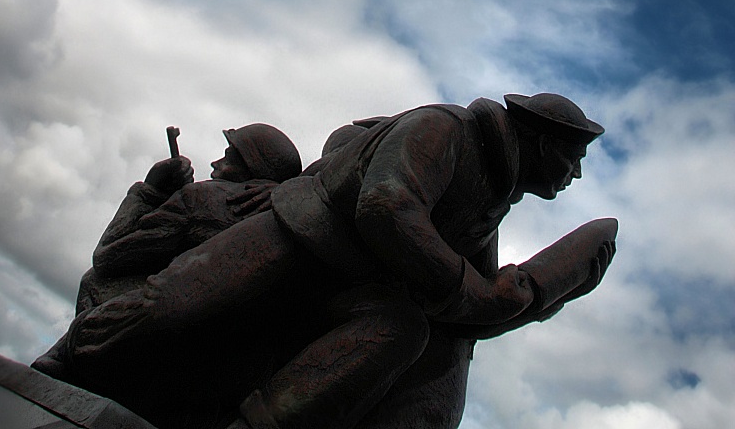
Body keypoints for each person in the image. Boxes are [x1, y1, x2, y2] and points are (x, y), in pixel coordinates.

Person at [38, 93, 615, 429]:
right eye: (573, 156)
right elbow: (386, 207)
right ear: (542, 141)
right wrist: (470, 285)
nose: (577, 174)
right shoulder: (445, 130)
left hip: (356, 284)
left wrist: (547, 291)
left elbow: (466, 311)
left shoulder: (492, 196)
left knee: (403, 329)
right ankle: (60, 368)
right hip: (298, 235)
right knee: (169, 306)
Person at [73, 123, 303, 314]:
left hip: (167, 322)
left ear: (248, 166)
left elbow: (106, 257)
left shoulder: (199, 200)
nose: (215, 163)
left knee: (92, 281)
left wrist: (149, 191)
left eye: (227, 157)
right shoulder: (277, 216)